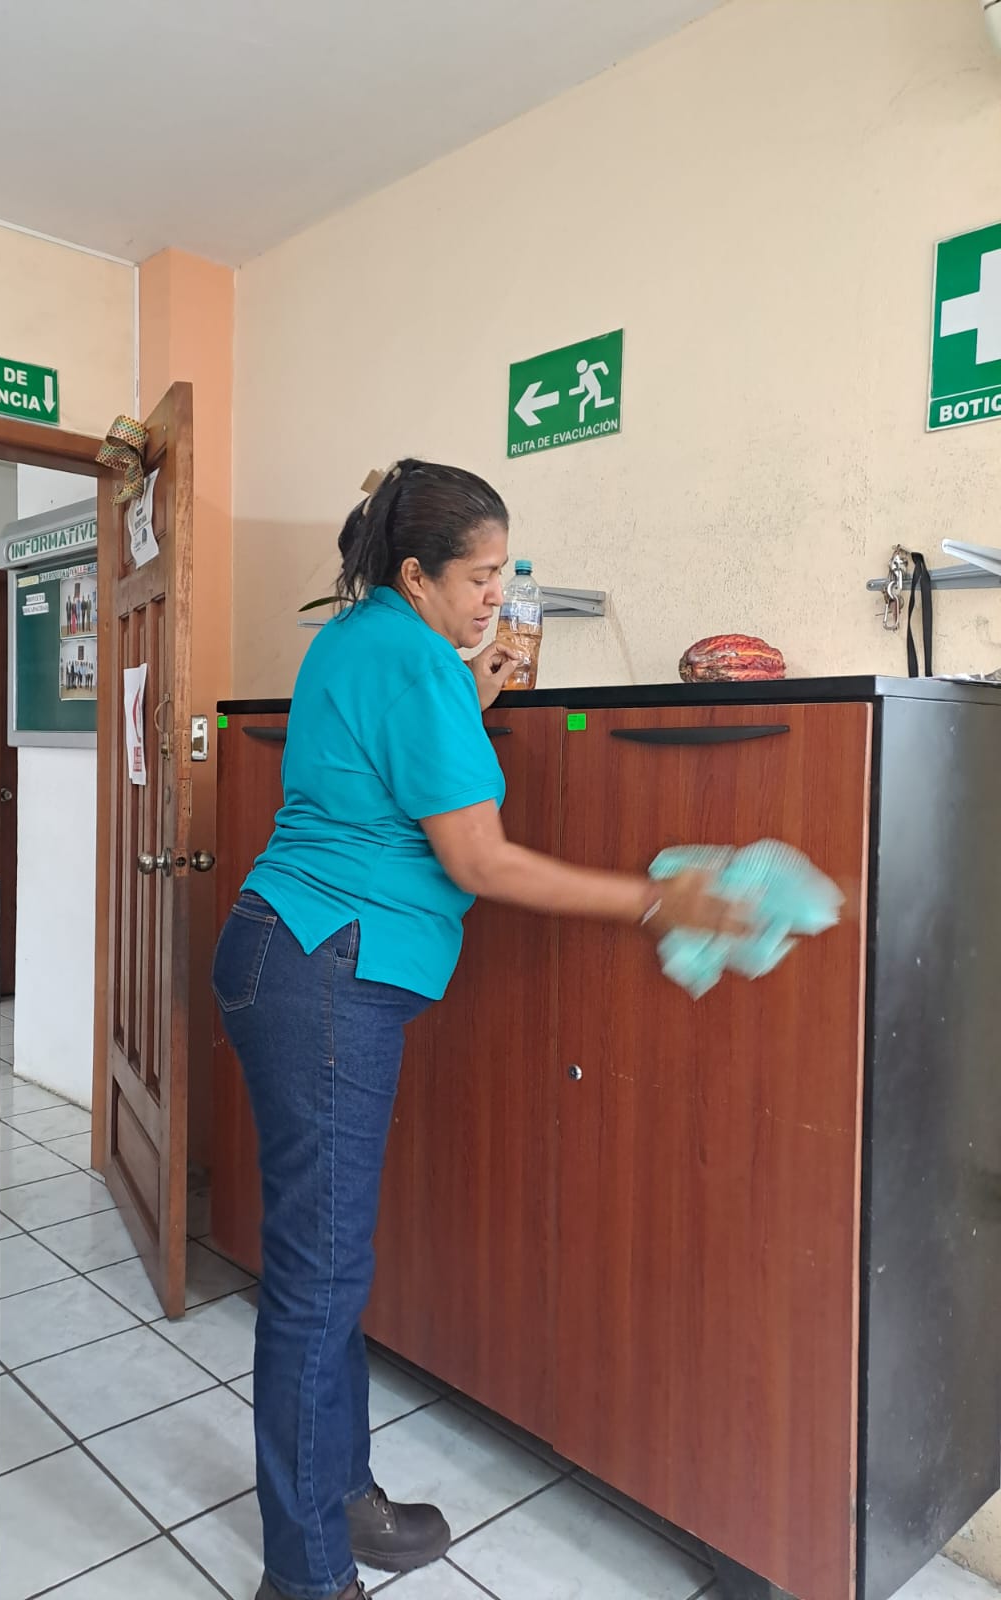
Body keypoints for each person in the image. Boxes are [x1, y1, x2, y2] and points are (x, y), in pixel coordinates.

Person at [213, 459, 748, 1600]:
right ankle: (304, 1574)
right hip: (325, 968)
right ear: (417, 573)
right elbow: (480, 861)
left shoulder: (364, 638)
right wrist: (659, 899)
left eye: (504, 574)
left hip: (291, 953)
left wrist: (475, 697)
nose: (496, 598)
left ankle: (342, 1496)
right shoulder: (412, 660)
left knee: (328, 1269)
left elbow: (383, 767)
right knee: (317, 1281)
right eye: (481, 576)